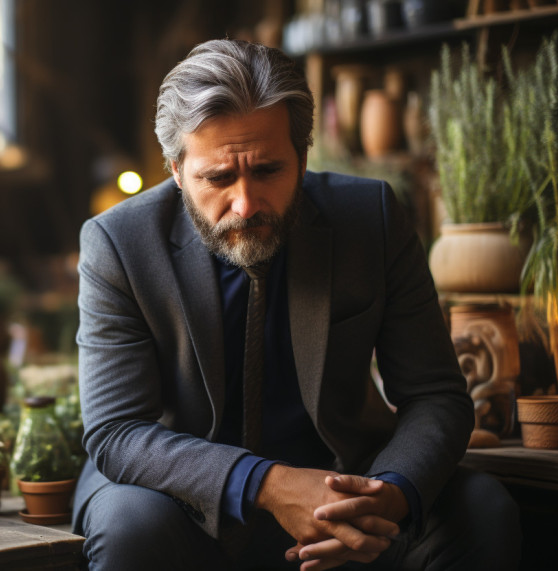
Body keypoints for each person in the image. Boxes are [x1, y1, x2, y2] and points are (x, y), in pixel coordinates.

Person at [72, 39, 520, 570]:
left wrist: (387, 495)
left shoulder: (371, 219)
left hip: (345, 487)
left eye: (267, 171)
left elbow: (436, 396)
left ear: (302, 157)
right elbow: (117, 431)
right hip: (179, 499)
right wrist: (267, 483)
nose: (245, 204)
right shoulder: (118, 244)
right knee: (131, 530)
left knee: (484, 509)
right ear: (175, 169)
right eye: (218, 178)